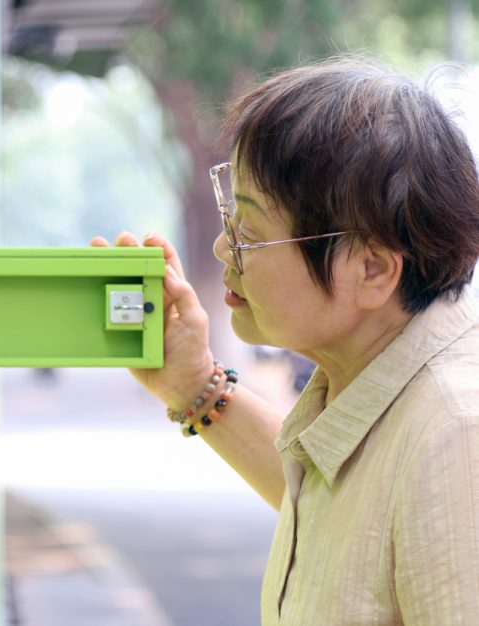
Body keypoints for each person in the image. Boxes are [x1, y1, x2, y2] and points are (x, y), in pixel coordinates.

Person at [92, 59, 479, 624]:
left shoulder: (455, 438)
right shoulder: (374, 376)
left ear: (372, 269)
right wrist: (194, 384)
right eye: (230, 220)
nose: (225, 250)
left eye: (248, 233)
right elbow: (344, 513)